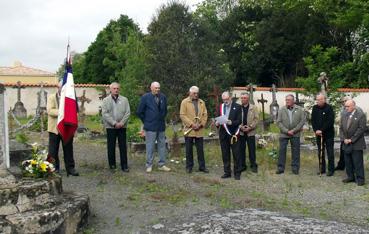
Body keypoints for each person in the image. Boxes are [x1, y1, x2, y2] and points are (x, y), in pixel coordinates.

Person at [137, 81, 171, 173]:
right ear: (151, 88)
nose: (158, 90)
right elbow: (140, 112)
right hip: (150, 126)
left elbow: (164, 111)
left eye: (159, 88)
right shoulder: (145, 97)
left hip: (160, 126)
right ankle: (149, 165)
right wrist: (146, 121)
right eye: (156, 88)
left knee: (162, 145)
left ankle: (162, 164)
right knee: (150, 146)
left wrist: (161, 118)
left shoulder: (163, 97)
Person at [47, 82, 79, 176]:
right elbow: (50, 110)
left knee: (68, 149)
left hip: (67, 128)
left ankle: (70, 168)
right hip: (54, 128)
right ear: (58, 87)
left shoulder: (70, 98)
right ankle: (54, 168)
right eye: (62, 87)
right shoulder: (51, 97)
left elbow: (75, 111)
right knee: (53, 150)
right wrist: (63, 112)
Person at [102, 82, 130, 172]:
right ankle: (112, 165)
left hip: (122, 127)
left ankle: (124, 165)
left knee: (123, 146)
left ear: (119, 89)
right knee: (111, 146)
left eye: (117, 88)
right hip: (111, 127)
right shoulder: (106, 100)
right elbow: (105, 113)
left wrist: (121, 123)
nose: (116, 90)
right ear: (110, 89)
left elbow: (128, 112)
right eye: (114, 88)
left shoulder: (125, 100)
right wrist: (114, 123)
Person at [180, 86, 209, 174]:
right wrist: (192, 124)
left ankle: (202, 167)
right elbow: (182, 115)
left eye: (197, 93)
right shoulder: (184, 102)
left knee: (200, 149)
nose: (196, 95)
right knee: (189, 150)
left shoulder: (201, 102)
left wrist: (201, 124)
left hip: (199, 129)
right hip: (189, 130)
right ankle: (189, 167)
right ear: (190, 93)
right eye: (194, 93)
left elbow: (205, 114)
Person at [276, 94, 306, 175]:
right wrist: (286, 131)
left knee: (295, 151)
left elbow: (302, 121)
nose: (287, 101)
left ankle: (295, 168)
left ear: (293, 101)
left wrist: (294, 130)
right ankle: (280, 168)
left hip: (295, 133)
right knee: (282, 151)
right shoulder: (281, 109)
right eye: (286, 100)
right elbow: (278, 122)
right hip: (284, 134)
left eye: (289, 100)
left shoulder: (300, 109)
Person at [216, 91, 242, 180]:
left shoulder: (237, 107)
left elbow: (239, 121)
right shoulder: (221, 106)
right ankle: (227, 172)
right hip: (223, 133)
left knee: (236, 153)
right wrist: (217, 123)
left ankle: (237, 172)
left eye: (227, 99)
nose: (225, 101)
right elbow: (218, 117)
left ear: (230, 98)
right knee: (225, 153)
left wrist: (232, 122)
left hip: (233, 132)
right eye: (223, 100)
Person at [340, 99, 366, 186]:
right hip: (346, 142)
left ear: (353, 106)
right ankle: (350, 177)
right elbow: (341, 128)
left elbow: (361, 129)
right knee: (348, 161)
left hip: (356, 143)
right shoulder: (344, 114)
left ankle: (360, 179)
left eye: (348, 106)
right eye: (345, 106)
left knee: (357, 162)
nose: (346, 108)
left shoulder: (361, 115)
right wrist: (344, 139)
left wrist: (352, 139)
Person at [311, 93, 335, 176]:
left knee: (330, 152)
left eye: (320, 99)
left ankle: (331, 170)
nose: (318, 101)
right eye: (317, 100)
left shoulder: (329, 108)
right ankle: (322, 168)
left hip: (328, 134)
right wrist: (316, 130)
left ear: (324, 100)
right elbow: (313, 120)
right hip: (318, 134)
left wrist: (321, 130)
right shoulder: (314, 108)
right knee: (320, 152)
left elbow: (330, 121)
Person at [239, 92, 259, 173]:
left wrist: (250, 127)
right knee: (241, 150)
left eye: (245, 98)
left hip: (250, 132)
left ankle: (253, 165)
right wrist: (241, 127)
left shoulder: (253, 108)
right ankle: (243, 165)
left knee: (252, 150)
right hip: (241, 132)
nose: (243, 99)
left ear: (248, 99)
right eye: (242, 98)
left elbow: (256, 119)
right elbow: (236, 118)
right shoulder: (238, 108)